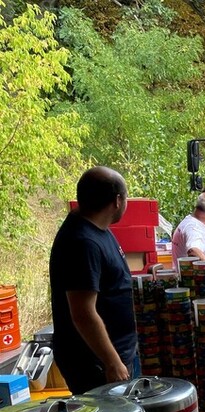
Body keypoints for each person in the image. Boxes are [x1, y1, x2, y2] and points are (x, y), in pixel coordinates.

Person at [49, 166, 137, 394]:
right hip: (96, 364)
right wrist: (112, 362)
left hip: (116, 353)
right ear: (117, 201)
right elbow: (83, 313)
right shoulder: (82, 242)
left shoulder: (97, 228)